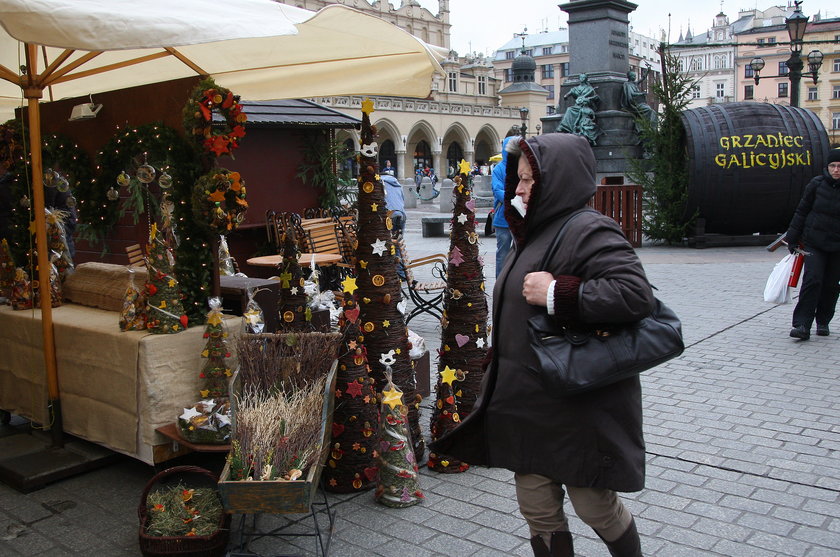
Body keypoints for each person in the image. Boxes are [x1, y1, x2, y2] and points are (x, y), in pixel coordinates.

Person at [431, 133, 655, 557]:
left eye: (529, 180)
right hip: (528, 401)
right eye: (519, 179)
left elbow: (634, 295)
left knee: (595, 504)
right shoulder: (533, 231)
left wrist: (559, 292)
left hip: (575, 402)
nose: (519, 188)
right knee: (537, 508)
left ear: (559, 181)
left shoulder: (588, 228)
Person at [785, 148, 840, 340]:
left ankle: (823, 320)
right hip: (814, 242)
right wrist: (792, 238)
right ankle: (802, 324)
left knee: (832, 285)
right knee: (812, 280)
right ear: (827, 167)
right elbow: (802, 211)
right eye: (832, 165)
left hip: (837, 245)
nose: (836, 170)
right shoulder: (816, 185)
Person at [492, 135, 515, 277]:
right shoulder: (499, 169)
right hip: (503, 218)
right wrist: (516, 198)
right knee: (503, 253)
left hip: (521, 218)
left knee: (521, 253)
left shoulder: (523, 166)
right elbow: (497, 190)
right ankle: (500, 282)